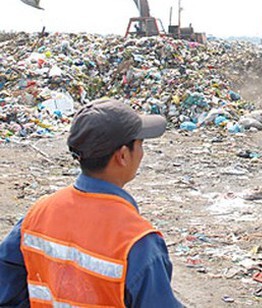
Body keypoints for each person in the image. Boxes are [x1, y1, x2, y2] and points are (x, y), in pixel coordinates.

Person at [0, 98, 182, 307]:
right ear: (122, 155)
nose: (142, 152)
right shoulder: (136, 241)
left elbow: (7, 287)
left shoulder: (39, 213)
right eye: (140, 144)